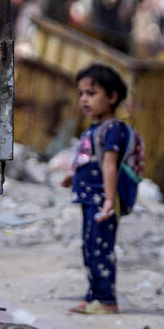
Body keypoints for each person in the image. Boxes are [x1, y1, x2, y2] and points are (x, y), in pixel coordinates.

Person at [60, 64, 142, 315]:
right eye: (81, 93)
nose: (84, 99)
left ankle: (107, 300)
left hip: (102, 201)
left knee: (101, 250)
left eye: (91, 93)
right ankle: (93, 296)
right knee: (89, 249)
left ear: (113, 96)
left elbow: (108, 164)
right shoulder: (94, 129)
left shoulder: (113, 129)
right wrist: (72, 177)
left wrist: (108, 200)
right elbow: (88, 158)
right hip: (89, 199)